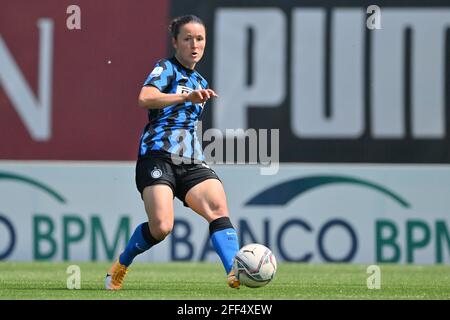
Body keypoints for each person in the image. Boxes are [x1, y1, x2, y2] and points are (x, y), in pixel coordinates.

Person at [105, 15, 240, 290]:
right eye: (187, 38)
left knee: (218, 208)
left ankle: (235, 272)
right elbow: (145, 98)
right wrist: (184, 96)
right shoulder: (166, 68)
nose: (194, 44)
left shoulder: (200, 80)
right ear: (175, 42)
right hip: (157, 156)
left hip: (190, 160)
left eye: (199, 38)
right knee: (162, 226)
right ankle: (122, 262)